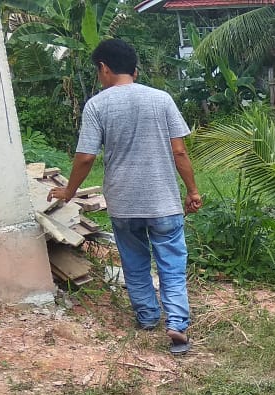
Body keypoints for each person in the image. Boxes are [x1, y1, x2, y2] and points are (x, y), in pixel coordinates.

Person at [49, 39, 202, 355]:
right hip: (163, 201)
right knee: (171, 263)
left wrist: (69, 191)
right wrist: (192, 191)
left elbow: (86, 157)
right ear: (134, 69)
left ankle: (147, 317)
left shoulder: (97, 105)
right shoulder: (162, 100)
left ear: (104, 68)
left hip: (123, 203)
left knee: (134, 262)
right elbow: (179, 150)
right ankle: (176, 323)